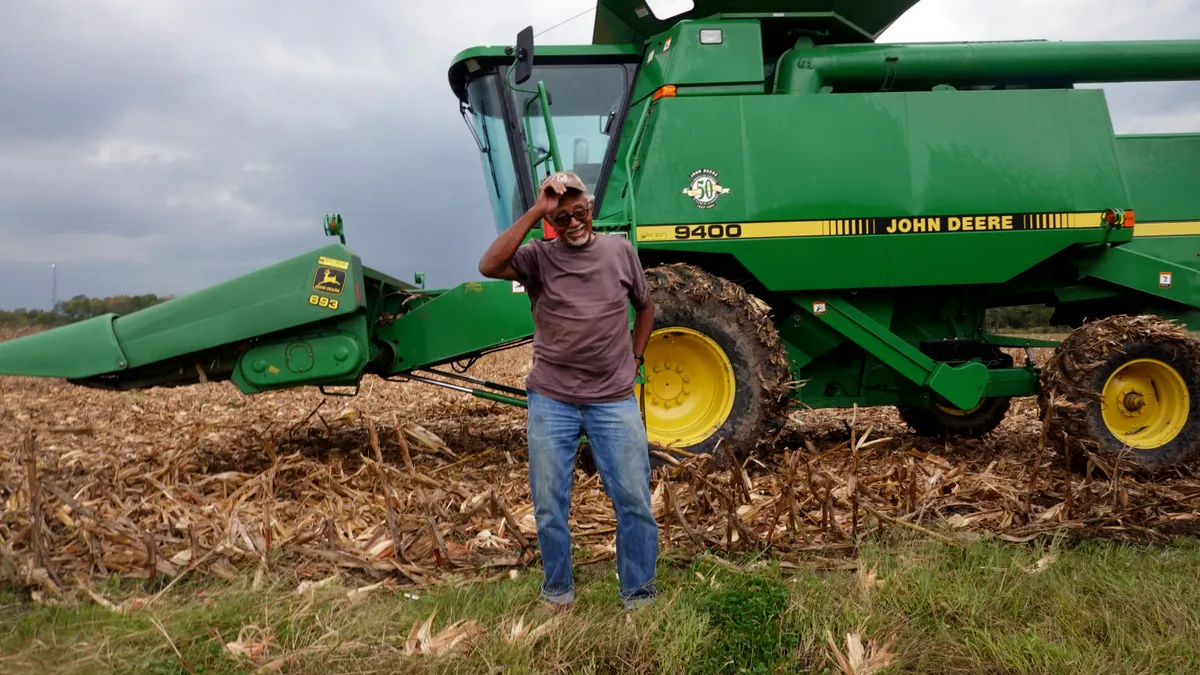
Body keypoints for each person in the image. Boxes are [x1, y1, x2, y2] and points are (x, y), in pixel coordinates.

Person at [478, 170, 659, 611]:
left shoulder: (620, 251)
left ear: (591, 209)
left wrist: (635, 359)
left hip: (613, 397)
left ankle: (638, 591)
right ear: (552, 222)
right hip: (552, 398)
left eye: (580, 212)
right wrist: (538, 209)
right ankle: (557, 590)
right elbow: (488, 264)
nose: (574, 223)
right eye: (562, 218)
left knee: (634, 497)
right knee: (549, 503)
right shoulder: (539, 257)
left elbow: (646, 305)